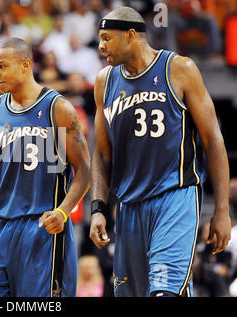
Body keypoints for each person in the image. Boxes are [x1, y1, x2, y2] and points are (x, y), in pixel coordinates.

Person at [89, 7, 231, 297]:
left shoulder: (179, 68)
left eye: (106, 38)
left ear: (130, 36)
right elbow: (102, 155)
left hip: (174, 197)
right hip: (128, 206)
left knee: (164, 292)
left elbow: (213, 139)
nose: (101, 46)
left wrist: (222, 210)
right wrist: (98, 207)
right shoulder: (105, 81)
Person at [0, 38, 91, 297]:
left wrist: (63, 211)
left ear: (25, 66)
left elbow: (85, 170)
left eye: (2, 66)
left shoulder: (57, 108)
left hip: (40, 228)